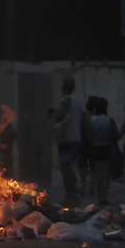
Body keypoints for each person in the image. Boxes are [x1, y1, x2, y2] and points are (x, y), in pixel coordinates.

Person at [50, 76, 84, 207]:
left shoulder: (66, 100)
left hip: (67, 139)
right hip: (75, 137)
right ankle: (73, 197)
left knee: (65, 169)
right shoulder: (78, 101)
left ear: (63, 89)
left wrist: (53, 114)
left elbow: (60, 116)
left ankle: (71, 198)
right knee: (68, 168)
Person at [89, 97, 119, 205]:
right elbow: (116, 135)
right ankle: (104, 198)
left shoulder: (91, 120)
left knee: (98, 174)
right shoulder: (109, 120)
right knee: (106, 174)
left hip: (96, 147)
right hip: (107, 147)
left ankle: (99, 198)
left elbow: (89, 135)